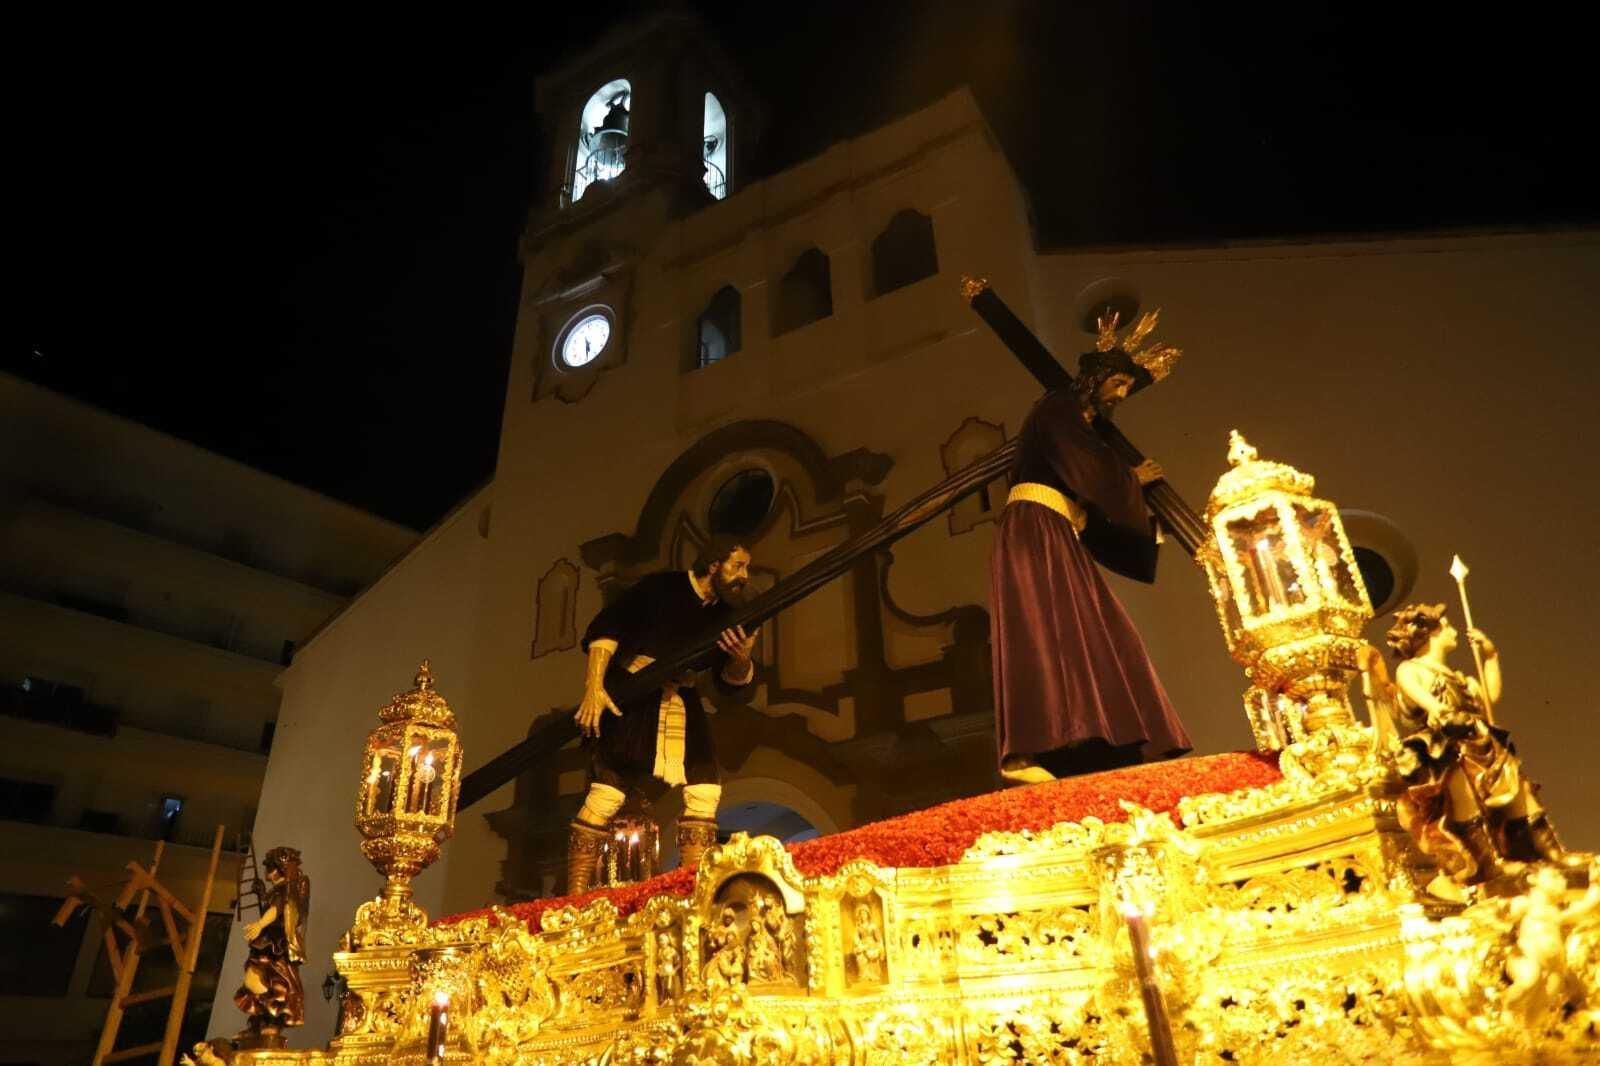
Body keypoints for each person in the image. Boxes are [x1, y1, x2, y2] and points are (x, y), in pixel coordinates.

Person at [990, 311, 1192, 784]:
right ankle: (1035, 746)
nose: (1121, 394)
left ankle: (1099, 736)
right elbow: (1086, 466)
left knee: (1092, 630)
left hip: (1058, 531)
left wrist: (1133, 500)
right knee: (1042, 632)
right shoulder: (1057, 408)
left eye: (1127, 386)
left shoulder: (1080, 427)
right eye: (1118, 382)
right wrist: (1128, 478)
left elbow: (1086, 488)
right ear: (1096, 378)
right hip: (1034, 528)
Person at [566, 536, 758, 893]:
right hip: (635, 692)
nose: (744, 575)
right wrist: (594, 688)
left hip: (682, 696)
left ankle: (694, 890)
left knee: (705, 785)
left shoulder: (726, 615)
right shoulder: (660, 588)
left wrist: (741, 659)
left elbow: (729, 684)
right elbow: (608, 628)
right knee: (608, 787)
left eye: (746, 567)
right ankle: (575, 892)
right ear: (714, 565)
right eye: (738, 565)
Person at [1385, 603, 1575, 883]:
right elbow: (1421, 697)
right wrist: (1438, 710)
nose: (1453, 631)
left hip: (1480, 739)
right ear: (1430, 633)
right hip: (1446, 747)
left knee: (1519, 791)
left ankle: (1551, 853)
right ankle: (1489, 866)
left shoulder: (1459, 679)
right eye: (1447, 626)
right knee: (1467, 801)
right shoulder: (1411, 669)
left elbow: (1488, 698)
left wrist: (1490, 656)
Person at [234, 847, 309, 1036]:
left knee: (268, 978)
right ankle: (262, 1022)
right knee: (259, 978)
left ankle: (270, 1021)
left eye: (270, 867)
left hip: (274, 943)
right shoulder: (279, 889)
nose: (267, 871)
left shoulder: (286, 889)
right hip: (269, 941)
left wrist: (260, 924)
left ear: (279, 869)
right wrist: (262, 894)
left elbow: (277, 910)